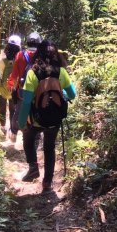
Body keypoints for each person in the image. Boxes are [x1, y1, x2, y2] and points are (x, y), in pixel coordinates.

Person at [18, 39, 75, 191]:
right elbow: (72, 94)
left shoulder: (32, 72)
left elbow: (27, 101)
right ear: (56, 53)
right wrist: (61, 92)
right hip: (54, 119)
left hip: (36, 119)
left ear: (38, 53)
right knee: (49, 147)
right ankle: (47, 182)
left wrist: (22, 122)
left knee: (28, 139)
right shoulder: (61, 72)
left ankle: (33, 168)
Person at [7, 31, 42, 140]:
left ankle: (13, 133)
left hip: (22, 91)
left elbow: (14, 74)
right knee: (38, 112)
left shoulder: (20, 55)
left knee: (18, 112)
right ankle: (36, 137)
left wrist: (10, 84)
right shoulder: (42, 56)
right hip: (38, 91)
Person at [0, 34, 21, 135]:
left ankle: (3, 128)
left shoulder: (0, 59)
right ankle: (12, 130)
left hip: (0, 89)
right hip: (14, 89)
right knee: (13, 109)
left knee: (2, 109)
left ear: (7, 46)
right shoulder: (20, 60)